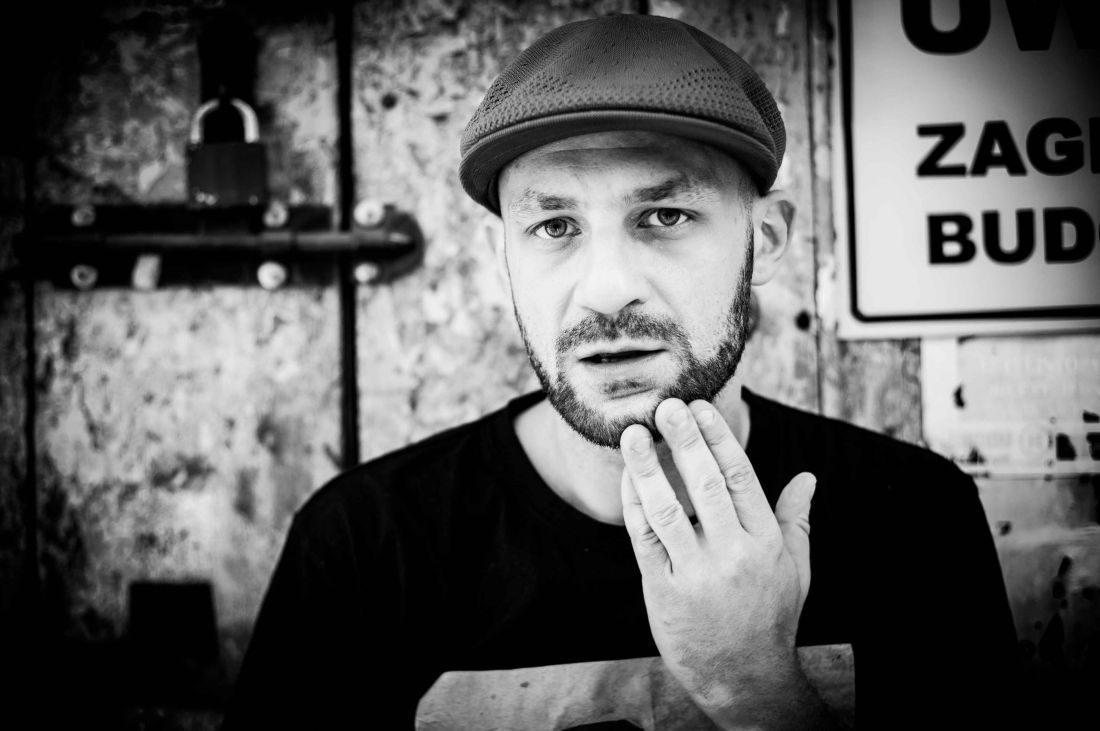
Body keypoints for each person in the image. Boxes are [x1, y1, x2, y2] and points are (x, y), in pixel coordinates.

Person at [222, 14, 1018, 730]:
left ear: (767, 239)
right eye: (554, 225)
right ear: (502, 260)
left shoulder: (912, 516)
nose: (606, 289)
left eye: (665, 216)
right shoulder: (364, 543)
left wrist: (753, 685)